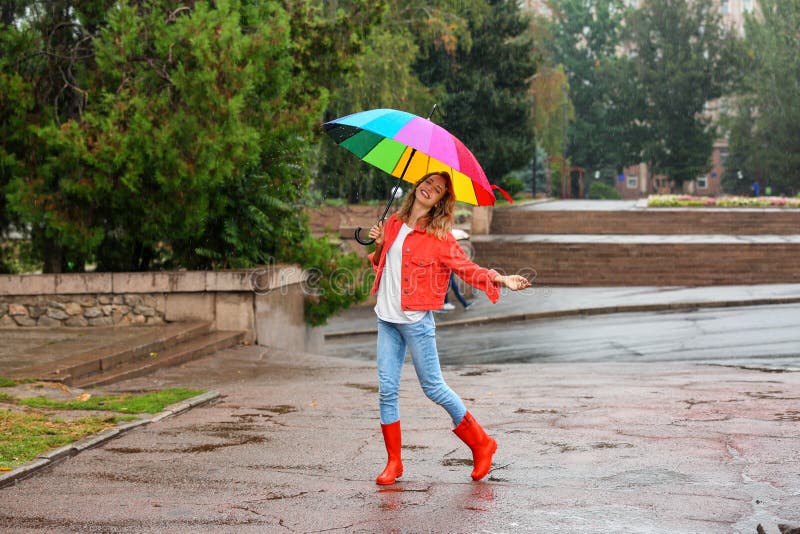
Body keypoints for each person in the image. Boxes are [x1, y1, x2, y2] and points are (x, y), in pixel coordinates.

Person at [366, 171, 530, 484]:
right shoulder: (393, 224)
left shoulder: (440, 238)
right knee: (387, 391)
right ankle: (394, 463)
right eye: (427, 183)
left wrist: (500, 279)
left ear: (441, 200)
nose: (430, 189)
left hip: (416, 322)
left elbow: (468, 270)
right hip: (387, 318)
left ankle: (482, 443)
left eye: (438, 189)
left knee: (434, 388)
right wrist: (378, 245)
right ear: (416, 186)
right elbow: (380, 262)